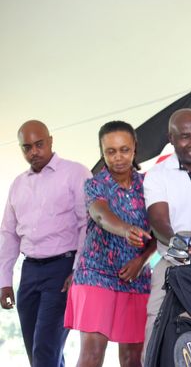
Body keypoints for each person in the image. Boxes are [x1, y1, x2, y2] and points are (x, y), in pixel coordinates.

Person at [0, 120, 92, 367]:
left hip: (62, 271)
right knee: (38, 354)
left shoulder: (76, 173)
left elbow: (87, 225)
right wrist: (4, 281)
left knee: (45, 352)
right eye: (27, 147)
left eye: (39, 144)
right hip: (29, 272)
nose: (34, 152)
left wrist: (78, 270)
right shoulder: (18, 184)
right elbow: (8, 233)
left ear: (50, 141)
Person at [64, 121, 156, 367]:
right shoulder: (95, 184)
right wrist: (126, 230)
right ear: (102, 152)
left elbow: (159, 230)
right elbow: (100, 215)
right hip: (96, 274)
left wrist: (141, 261)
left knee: (132, 359)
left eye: (124, 150)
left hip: (135, 278)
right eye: (111, 151)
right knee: (92, 355)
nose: (118, 157)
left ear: (135, 148)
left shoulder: (150, 184)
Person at [142, 108, 191, 354]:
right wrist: (184, 249)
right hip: (171, 266)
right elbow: (159, 221)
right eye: (185, 137)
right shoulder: (157, 175)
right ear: (171, 138)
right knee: (155, 339)